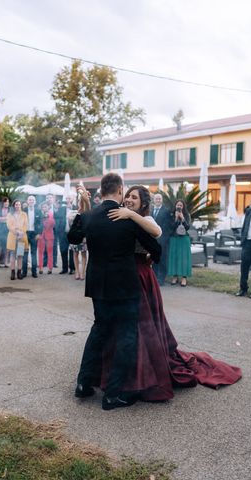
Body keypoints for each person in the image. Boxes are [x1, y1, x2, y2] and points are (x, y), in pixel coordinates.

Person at [105, 185, 242, 402]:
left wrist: (130, 214)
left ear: (143, 203)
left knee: (142, 324)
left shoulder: (145, 219)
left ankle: (142, 373)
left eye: (134, 198)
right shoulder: (119, 217)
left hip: (141, 276)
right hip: (123, 276)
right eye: (128, 196)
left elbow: (156, 232)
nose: (129, 200)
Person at [67, 173, 161, 410]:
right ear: (120, 190)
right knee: (127, 337)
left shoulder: (90, 215)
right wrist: (151, 257)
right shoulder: (127, 218)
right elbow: (156, 247)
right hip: (125, 286)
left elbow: (73, 237)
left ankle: (83, 384)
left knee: (99, 331)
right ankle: (112, 394)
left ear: (101, 190)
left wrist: (82, 210)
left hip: (98, 284)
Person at [167, 200, 192, 287]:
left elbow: (188, 227)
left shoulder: (187, 215)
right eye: (178, 205)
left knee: (184, 258)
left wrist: (183, 218)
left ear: (183, 207)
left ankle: (184, 278)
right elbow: (170, 227)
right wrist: (176, 218)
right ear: (175, 206)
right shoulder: (171, 215)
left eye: (181, 205)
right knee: (174, 257)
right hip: (174, 238)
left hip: (184, 239)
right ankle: (175, 276)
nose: (179, 207)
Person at [151, 193, 173, 286]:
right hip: (152, 239)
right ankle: (154, 277)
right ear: (154, 200)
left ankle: (161, 278)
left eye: (159, 199)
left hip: (162, 239)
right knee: (154, 258)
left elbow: (167, 226)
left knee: (163, 259)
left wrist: (162, 238)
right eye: (156, 199)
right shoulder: (150, 211)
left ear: (162, 200)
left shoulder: (166, 211)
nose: (158, 200)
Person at [6, 199, 28, 280]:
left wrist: (21, 232)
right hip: (12, 236)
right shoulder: (9, 214)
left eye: (19, 204)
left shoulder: (24, 214)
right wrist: (16, 232)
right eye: (16, 204)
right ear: (14, 206)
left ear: (21, 205)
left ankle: (19, 272)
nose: (18, 206)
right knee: (12, 256)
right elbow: (9, 225)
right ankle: (12, 272)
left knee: (20, 256)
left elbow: (26, 225)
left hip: (21, 237)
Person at [22, 195, 43, 278]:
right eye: (29, 200)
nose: (31, 201)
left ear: (35, 202)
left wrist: (39, 233)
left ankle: (34, 272)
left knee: (34, 253)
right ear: (27, 201)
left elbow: (41, 223)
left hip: (34, 234)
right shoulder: (23, 210)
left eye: (33, 200)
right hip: (24, 234)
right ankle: (24, 272)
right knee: (24, 254)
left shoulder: (38, 211)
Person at [55, 196, 75, 274]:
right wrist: (56, 208)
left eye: (69, 198)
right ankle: (64, 268)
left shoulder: (75, 208)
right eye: (66, 199)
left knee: (72, 251)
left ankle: (72, 268)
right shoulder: (61, 209)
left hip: (72, 233)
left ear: (72, 199)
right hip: (63, 233)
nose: (68, 200)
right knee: (63, 251)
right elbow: (56, 217)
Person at [68, 198, 87, 280]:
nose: (81, 204)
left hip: (84, 238)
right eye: (80, 202)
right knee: (75, 254)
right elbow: (70, 222)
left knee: (83, 255)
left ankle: (83, 272)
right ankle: (77, 272)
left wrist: (86, 237)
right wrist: (78, 213)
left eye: (83, 203)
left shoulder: (88, 213)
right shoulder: (73, 212)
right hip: (75, 236)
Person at [37, 202, 54, 274]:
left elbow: (53, 224)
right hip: (41, 236)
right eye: (43, 207)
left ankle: (50, 268)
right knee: (40, 252)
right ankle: (40, 267)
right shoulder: (39, 214)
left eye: (46, 207)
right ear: (41, 208)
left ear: (48, 208)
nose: (44, 208)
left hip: (49, 236)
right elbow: (37, 224)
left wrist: (47, 218)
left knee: (50, 252)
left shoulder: (51, 214)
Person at [0, 197, 10, 268]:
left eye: (7, 202)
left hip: (8, 229)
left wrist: (2, 218)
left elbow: (10, 218)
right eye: (5, 202)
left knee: (7, 247)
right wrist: (6, 218)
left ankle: (6, 262)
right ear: (3, 203)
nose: (6, 203)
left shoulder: (11, 210)